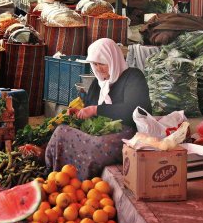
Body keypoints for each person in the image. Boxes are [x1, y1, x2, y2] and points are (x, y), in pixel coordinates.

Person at [46, 38, 152, 179]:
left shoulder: (133, 77)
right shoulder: (98, 83)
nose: (98, 69)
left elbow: (134, 109)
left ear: (113, 59)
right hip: (101, 132)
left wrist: (96, 110)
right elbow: (90, 105)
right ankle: (58, 177)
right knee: (61, 131)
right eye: (94, 64)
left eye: (102, 64)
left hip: (129, 134)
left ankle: (84, 180)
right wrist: (81, 112)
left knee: (98, 145)